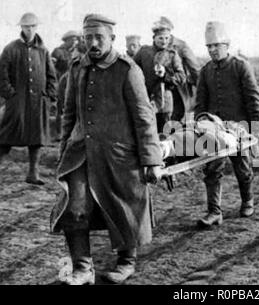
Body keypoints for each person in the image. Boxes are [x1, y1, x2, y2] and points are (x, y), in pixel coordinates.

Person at [50, 14, 163, 285]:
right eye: (88, 37)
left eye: (99, 37)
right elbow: (68, 115)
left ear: (112, 38)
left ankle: (126, 262)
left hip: (119, 156)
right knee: (74, 207)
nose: (93, 43)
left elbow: (144, 117)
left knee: (124, 208)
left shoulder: (128, 70)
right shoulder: (77, 68)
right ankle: (82, 268)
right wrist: (64, 151)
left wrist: (151, 159)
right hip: (80, 155)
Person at [194, 21, 259, 227]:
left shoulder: (240, 66)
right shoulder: (205, 71)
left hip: (239, 128)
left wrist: (258, 128)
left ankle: (247, 200)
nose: (213, 50)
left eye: (216, 45)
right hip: (214, 130)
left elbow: (254, 98)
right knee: (212, 169)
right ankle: (214, 212)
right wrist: (200, 124)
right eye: (209, 47)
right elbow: (200, 102)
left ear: (227, 45)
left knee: (243, 168)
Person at [0, 12, 57, 185]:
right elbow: (1, 76)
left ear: (37, 27)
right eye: (26, 26)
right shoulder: (11, 48)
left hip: (38, 102)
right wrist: (10, 95)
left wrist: (49, 96)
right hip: (17, 102)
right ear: (21, 27)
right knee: (8, 134)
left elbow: (52, 76)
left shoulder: (43, 50)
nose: (29, 30)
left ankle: (33, 174)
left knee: (37, 138)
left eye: (32, 26)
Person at [133, 25, 186, 133]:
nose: (164, 41)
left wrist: (165, 74)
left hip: (165, 102)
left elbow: (182, 77)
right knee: (146, 130)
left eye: (167, 38)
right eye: (160, 38)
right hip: (145, 98)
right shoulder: (144, 52)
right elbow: (133, 70)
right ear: (154, 38)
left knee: (165, 133)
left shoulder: (172, 55)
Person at [152, 17, 200, 121]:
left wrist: (201, 92)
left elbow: (194, 68)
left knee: (174, 122)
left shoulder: (181, 46)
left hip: (177, 90)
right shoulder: (154, 46)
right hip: (158, 92)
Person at [52, 30, 82, 141]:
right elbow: (51, 68)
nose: (75, 42)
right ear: (67, 40)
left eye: (76, 40)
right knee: (61, 108)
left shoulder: (77, 52)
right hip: (61, 83)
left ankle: (73, 133)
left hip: (75, 83)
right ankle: (59, 134)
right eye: (73, 40)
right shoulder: (58, 52)